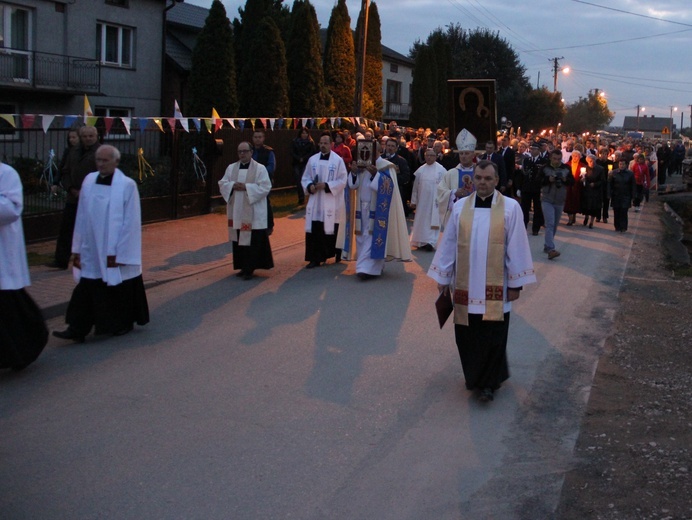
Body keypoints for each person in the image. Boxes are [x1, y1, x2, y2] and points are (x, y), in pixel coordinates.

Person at [428, 160, 536, 402]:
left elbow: (517, 246)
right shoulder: (460, 207)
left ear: (497, 180)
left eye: (488, 178)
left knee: (493, 336)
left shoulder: (510, 208)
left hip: (497, 288)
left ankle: (488, 383)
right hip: (466, 286)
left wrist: (516, 283)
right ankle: (474, 376)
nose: (483, 183)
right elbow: (449, 244)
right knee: (466, 335)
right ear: (472, 179)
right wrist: (443, 277)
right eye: (478, 178)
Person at [53, 145, 149, 343]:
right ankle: (77, 327)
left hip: (113, 247)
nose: (101, 164)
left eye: (105, 160)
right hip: (91, 246)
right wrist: (77, 247)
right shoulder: (89, 181)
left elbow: (131, 221)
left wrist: (121, 252)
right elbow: (82, 213)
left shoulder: (127, 185)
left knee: (117, 288)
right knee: (86, 286)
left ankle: (121, 323)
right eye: (98, 160)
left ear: (116, 161)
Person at [0, 160, 48, 370]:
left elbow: (12, 210)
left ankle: (24, 347)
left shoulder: (6, 173)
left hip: (3, 254)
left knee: (10, 308)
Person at [342, 154, 411, 279]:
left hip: (377, 209)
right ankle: (374, 267)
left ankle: (364, 268)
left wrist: (375, 175)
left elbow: (388, 186)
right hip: (361, 207)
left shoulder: (385, 165)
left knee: (372, 236)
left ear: (377, 150)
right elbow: (353, 185)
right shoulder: (362, 163)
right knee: (361, 237)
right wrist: (353, 172)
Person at [218, 141, 274, 280]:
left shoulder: (260, 169)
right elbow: (222, 183)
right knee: (239, 240)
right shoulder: (231, 168)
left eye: (245, 151)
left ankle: (250, 268)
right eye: (239, 152)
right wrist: (232, 185)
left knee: (252, 241)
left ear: (251, 152)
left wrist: (247, 188)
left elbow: (266, 187)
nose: (242, 154)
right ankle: (242, 266)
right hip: (237, 211)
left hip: (253, 213)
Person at [48, 125, 100, 269]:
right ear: (81, 137)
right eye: (85, 136)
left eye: (91, 136)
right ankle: (61, 260)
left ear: (96, 136)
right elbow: (65, 172)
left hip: (92, 199)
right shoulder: (73, 152)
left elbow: (103, 175)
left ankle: (91, 260)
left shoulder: (100, 152)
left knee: (91, 231)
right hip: (73, 197)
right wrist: (70, 188)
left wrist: (86, 191)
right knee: (66, 229)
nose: (88, 139)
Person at [302, 133, 348, 268]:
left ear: (331, 144)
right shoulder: (312, 160)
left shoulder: (338, 160)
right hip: (316, 200)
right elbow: (305, 177)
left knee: (330, 228)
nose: (322, 145)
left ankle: (334, 253)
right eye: (321, 143)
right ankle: (314, 258)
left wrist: (327, 186)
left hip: (330, 200)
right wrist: (310, 186)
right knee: (315, 228)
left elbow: (342, 180)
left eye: (325, 143)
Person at [437, 129, 477, 231]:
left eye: (466, 153)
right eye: (461, 153)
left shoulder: (479, 172)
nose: (463, 156)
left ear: (473, 155)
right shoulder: (451, 173)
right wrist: (453, 193)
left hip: (476, 213)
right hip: (456, 214)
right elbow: (440, 192)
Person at [409, 148, 446, 251]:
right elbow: (415, 187)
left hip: (435, 201)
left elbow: (446, 186)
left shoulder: (441, 170)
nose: (429, 157)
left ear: (435, 157)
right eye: (427, 155)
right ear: (424, 156)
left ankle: (431, 242)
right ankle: (420, 242)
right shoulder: (420, 170)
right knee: (422, 221)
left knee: (433, 221)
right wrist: (413, 201)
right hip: (422, 202)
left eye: (431, 155)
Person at [541, 149, 574, 260]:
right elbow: (537, 181)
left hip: (560, 200)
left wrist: (565, 179)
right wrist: (547, 179)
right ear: (550, 157)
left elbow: (572, 182)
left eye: (559, 159)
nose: (556, 161)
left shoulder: (566, 168)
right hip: (547, 199)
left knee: (554, 225)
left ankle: (547, 245)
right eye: (554, 159)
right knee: (549, 223)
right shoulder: (545, 168)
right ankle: (551, 249)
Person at [516, 142, 546, 235]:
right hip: (526, 188)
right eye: (531, 149)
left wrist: (543, 189)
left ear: (538, 150)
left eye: (534, 149)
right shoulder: (526, 160)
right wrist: (519, 188)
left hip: (537, 188)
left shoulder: (543, 161)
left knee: (537, 209)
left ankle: (535, 229)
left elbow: (544, 176)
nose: (532, 151)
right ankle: (523, 226)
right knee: (525, 208)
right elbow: (522, 175)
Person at [252, 129, 275, 232]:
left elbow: (271, 166)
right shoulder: (250, 151)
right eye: (256, 137)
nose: (257, 139)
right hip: (251, 182)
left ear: (263, 138)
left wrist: (260, 173)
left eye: (259, 137)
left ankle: (269, 225)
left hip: (264, 181)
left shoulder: (268, 151)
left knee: (265, 202)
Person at [608, 159, 635, 233]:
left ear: (626, 165)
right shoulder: (614, 173)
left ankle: (623, 227)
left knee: (624, 211)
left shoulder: (630, 174)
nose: (621, 166)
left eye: (623, 164)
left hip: (626, 195)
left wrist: (633, 196)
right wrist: (609, 194)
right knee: (616, 211)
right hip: (616, 195)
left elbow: (633, 186)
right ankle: (617, 226)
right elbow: (610, 184)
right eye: (620, 164)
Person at [291, 128, 315, 205]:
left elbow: (312, 152)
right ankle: (301, 198)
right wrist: (298, 158)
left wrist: (304, 158)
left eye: (306, 133)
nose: (304, 135)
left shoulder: (311, 142)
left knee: (305, 179)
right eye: (303, 133)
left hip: (306, 163)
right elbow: (292, 152)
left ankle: (306, 196)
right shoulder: (295, 142)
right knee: (298, 180)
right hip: (297, 162)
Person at [581, 154, 605, 228]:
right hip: (587, 190)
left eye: (593, 160)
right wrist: (582, 180)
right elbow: (582, 178)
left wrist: (595, 184)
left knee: (594, 207)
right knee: (587, 205)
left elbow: (603, 180)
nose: (592, 162)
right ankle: (586, 217)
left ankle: (591, 222)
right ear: (587, 161)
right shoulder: (585, 168)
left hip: (596, 191)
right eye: (590, 161)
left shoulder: (600, 169)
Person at [564, 150, 585, 225]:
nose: (575, 158)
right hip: (569, 186)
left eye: (577, 156)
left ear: (579, 157)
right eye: (573, 156)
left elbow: (584, 176)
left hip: (577, 186)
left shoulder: (582, 166)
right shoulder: (567, 165)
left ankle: (574, 217)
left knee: (575, 202)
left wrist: (583, 178)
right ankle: (570, 219)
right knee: (568, 202)